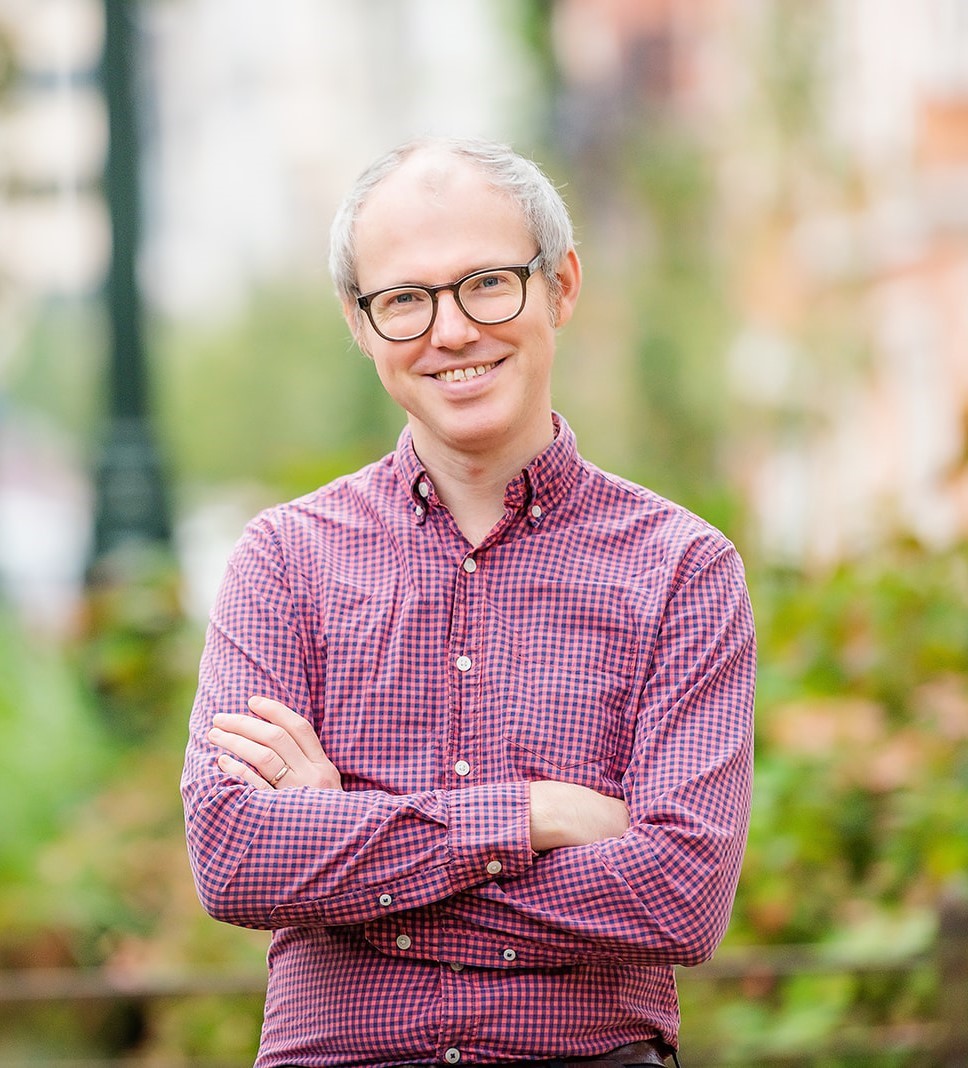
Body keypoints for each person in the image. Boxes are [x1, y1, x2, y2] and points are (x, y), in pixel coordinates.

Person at [181, 135, 755, 1068]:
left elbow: (677, 898)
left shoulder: (681, 570)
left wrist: (346, 846)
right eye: (406, 299)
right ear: (360, 323)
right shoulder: (284, 562)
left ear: (560, 286)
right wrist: (533, 815)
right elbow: (236, 857)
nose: (450, 332)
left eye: (487, 283)